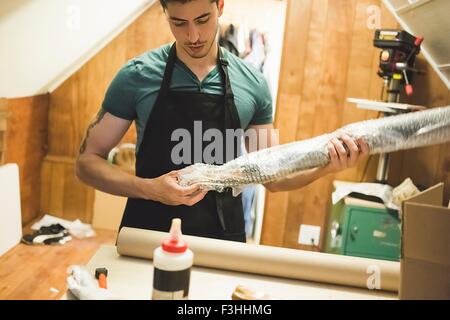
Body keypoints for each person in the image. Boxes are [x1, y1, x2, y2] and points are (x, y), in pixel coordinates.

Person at [76, 0, 369, 243]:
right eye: (179, 23)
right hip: (147, 238)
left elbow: (273, 177)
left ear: (220, 6)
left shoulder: (252, 84)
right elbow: (87, 162)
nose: (193, 36)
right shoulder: (136, 76)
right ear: (165, 15)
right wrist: (150, 188)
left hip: (222, 241)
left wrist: (326, 166)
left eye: (203, 19)